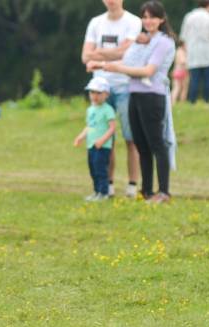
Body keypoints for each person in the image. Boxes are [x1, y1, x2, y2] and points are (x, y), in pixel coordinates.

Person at [89, 0, 176, 203]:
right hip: (135, 94)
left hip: (152, 96)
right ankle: (146, 190)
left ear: (161, 19)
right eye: (145, 17)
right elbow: (128, 62)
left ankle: (163, 191)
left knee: (157, 144)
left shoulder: (164, 41)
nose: (148, 21)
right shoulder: (142, 40)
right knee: (141, 144)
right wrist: (102, 64)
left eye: (152, 17)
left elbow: (148, 71)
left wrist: (116, 69)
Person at [82, 0, 142, 198]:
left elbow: (127, 51)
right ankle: (107, 184)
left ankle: (133, 184)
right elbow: (85, 56)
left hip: (125, 85)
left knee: (130, 138)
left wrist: (98, 54)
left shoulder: (133, 21)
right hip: (101, 87)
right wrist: (110, 55)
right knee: (105, 139)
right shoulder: (95, 23)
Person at [73, 77, 117, 202]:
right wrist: (81, 137)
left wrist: (103, 140)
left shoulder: (108, 110)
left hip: (102, 147)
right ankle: (96, 191)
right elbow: (90, 126)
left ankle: (104, 193)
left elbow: (112, 128)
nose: (95, 96)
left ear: (106, 94)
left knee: (101, 170)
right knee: (93, 169)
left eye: (99, 93)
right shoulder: (90, 110)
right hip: (91, 145)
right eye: (92, 92)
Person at [180, 0, 209, 105]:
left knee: (194, 79)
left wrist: (185, 53)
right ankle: (207, 102)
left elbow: (183, 38)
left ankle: (192, 102)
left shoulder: (189, 17)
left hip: (193, 53)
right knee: (208, 79)